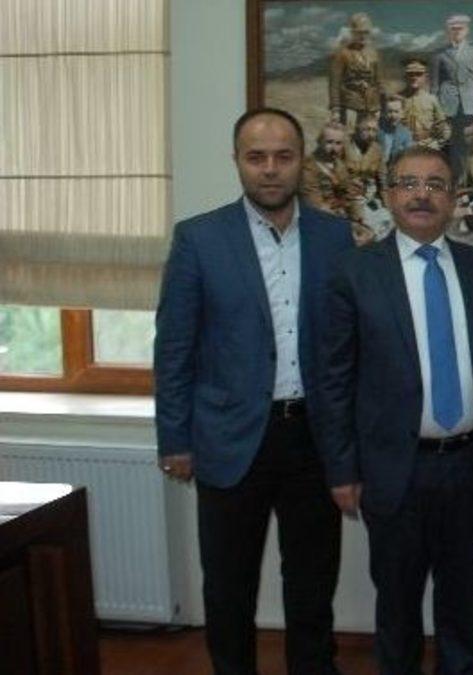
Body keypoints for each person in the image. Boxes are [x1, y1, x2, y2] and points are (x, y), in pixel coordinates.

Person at [154, 108, 354, 675]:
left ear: (301, 161)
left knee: (312, 585)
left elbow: (346, 346)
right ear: (237, 161)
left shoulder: (335, 236)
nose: (270, 169)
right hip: (229, 437)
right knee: (228, 587)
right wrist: (175, 438)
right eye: (256, 157)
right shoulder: (199, 238)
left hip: (312, 439)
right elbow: (174, 347)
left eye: (283, 156)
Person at [313, 146, 473, 675]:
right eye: (408, 183)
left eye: (436, 184)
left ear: (453, 196)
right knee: (397, 607)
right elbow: (333, 380)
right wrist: (342, 469)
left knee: (461, 604)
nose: (422, 195)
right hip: (392, 470)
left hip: (470, 466)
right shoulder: (353, 272)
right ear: (389, 193)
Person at [430, 14, 473, 181]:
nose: (457, 32)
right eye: (453, 29)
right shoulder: (440, 55)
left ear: (466, 31)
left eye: (460, 29)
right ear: (448, 32)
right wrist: (434, 108)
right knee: (450, 141)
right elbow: (435, 84)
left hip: (469, 104)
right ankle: (452, 177)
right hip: (448, 105)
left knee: (469, 142)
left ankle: (470, 178)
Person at [301, 121, 368, 244]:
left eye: (338, 143)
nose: (334, 148)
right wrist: (348, 227)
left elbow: (349, 192)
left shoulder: (338, 164)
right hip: (318, 223)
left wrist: (357, 217)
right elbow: (316, 206)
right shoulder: (308, 167)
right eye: (329, 142)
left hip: (339, 217)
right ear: (320, 141)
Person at [328, 12, 381, 127]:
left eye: (366, 32)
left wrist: (378, 106)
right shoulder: (342, 54)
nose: (363, 36)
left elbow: (377, 82)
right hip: (349, 104)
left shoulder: (373, 53)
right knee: (349, 133)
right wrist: (335, 109)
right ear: (352, 32)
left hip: (369, 105)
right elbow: (334, 83)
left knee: (368, 133)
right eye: (359, 32)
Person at [396, 59, 452, 152]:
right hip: (403, 146)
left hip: (428, 145)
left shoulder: (432, 100)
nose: (414, 77)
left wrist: (437, 143)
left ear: (425, 77)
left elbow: (442, 125)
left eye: (418, 74)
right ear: (405, 77)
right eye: (410, 74)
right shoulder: (397, 99)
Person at [378, 95, 414, 167]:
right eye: (390, 111)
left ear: (402, 113)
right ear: (384, 113)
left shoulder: (406, 134)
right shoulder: (378, 130)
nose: (393, 115)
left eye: (396, 111)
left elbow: (407, 158)